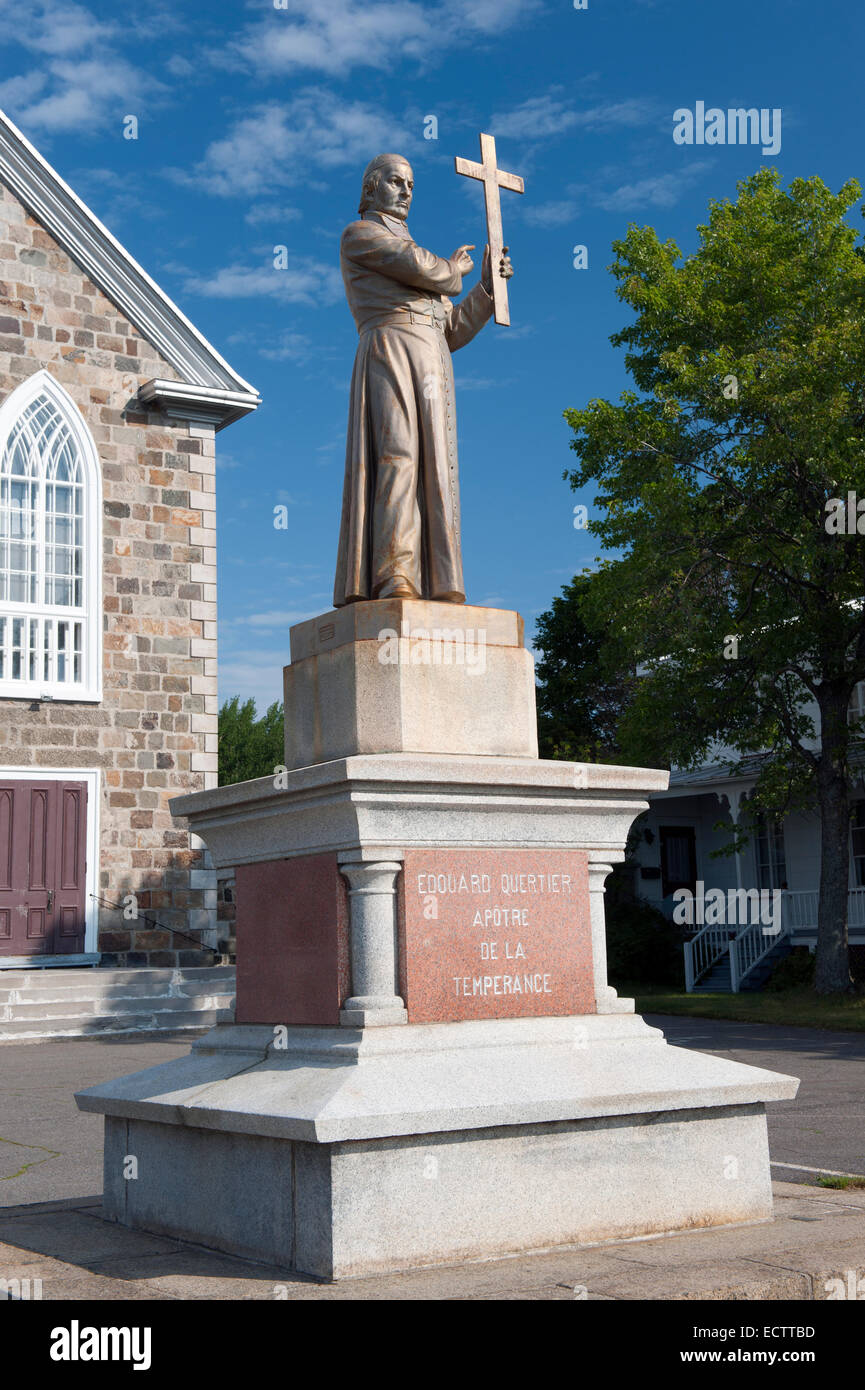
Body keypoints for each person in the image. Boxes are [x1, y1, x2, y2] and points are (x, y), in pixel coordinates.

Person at [333, 153, 513, 606]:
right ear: (370, 188)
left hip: (432, 356)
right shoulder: (362, 235)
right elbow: (424, 267)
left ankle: (439, 579)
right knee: (398, 457)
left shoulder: (424, 267)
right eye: (396, 181)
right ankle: (395, 576)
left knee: (436, 467)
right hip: (390, 347)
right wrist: (454, 271)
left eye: (411, 184)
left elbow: (452, 329)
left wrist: (488, 288)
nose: (407, 191)